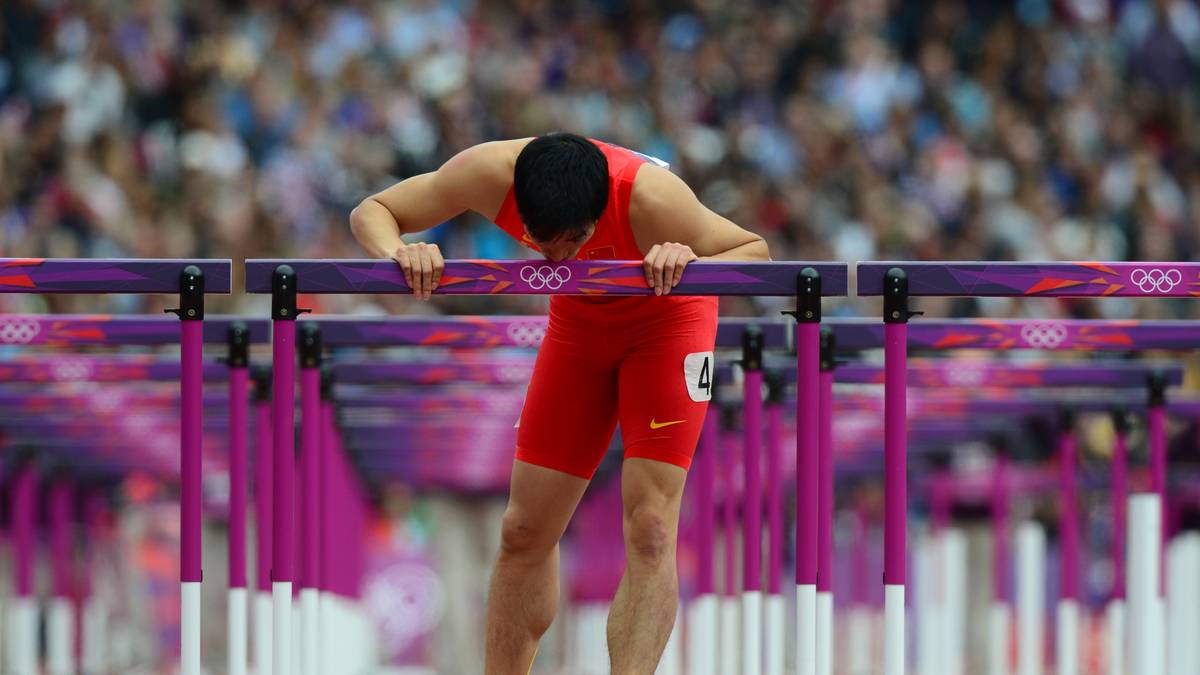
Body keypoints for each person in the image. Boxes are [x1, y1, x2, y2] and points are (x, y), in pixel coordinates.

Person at [349, 132, 769, 674]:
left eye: (573, 242)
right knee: (523, 530)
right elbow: (374, 210)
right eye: (542, 241)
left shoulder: (653, 198)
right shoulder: (487, 171)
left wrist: (685, 251)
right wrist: (401, 251)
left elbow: (754, 250)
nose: (558, 256)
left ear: (598, 213)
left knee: (650, 526)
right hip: (578, 326)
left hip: (669, 323)